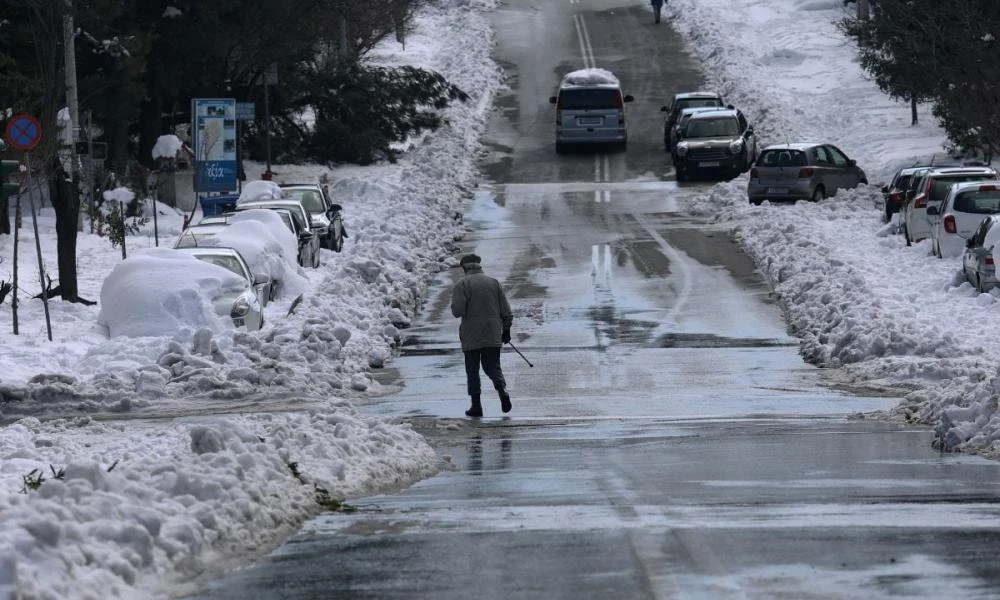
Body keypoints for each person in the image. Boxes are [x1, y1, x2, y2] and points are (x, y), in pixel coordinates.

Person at [450, 253, 513, 417]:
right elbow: (506, 310)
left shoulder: (462, 284)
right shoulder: (494, 283)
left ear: (465, 267)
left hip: (471, 334)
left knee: (473, 370)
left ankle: (476, 406)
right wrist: (506, 330)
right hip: (492, 332)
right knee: (493, 366)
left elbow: (457, 311)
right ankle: (502, 391)